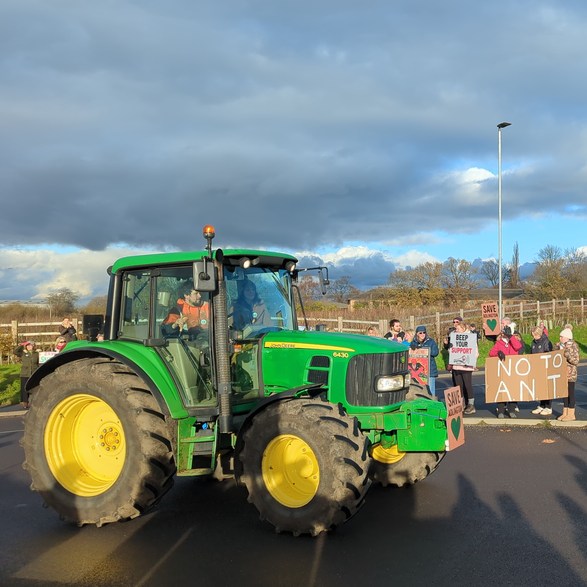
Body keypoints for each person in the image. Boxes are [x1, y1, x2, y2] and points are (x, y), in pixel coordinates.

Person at [489, 327, 522, 418]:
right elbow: (491, 353)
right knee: (502, 391)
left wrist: (510, 337)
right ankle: (501, 411)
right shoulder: (499, 343)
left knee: (512, 391)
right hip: (503, 370)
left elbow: (518, 347)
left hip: (513, 369)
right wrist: (498, 353)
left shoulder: (514, 341)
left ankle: (511, 410)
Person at [448, 321, 478, 414]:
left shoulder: (470, 338)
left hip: (466, 367)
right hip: (456, 366)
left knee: (467, 385)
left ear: (463, 329)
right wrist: (450, 348)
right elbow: (452, 352)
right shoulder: (454, 338)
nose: (456, 330)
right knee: (458, 386)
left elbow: (475, 352)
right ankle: (460, 404)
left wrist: (469, 361)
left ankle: (471, 404)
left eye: (458, 329)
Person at [557, 327, 580, 422]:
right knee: (564, 393)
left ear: (567, 337)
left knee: (571, 393)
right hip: (562, 374)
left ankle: (571, 414)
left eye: (561, 337)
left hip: (570, 374)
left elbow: (575, 361)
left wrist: (567, 354)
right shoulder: (560, 345)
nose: (560, 338)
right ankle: (565, 412)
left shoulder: (573, 346)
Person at [410, 325, 440, 397]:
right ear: (417, 334)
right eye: (420, 333)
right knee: (420, 390)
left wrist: (425, 350)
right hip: (418, 372)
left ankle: (433, 404)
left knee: (431, 390)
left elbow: (435, 352)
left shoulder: (431, 341)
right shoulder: (414, 342)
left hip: (430, 370)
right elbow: (410, 352)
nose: (422, 334)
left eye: (424, 332)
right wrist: (413, 347)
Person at [530, 326, 554, 416]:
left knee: (547, 387)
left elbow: (549, 354)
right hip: (537, 368)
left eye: (535, 335)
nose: (534, 337)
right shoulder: (533, 342)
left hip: (545, 368)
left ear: (539, 334)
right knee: (540, 388)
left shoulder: (546, 342)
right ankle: (542, 405)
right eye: (533, 335)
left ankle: (548, 406)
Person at [13, 341, 39, 409]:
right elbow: (15, 352)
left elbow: (38, 363)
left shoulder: (36, 354)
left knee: (34, 388)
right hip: (25, 373)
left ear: (33, 346)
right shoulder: (23, 353)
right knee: (24, 389)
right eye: (28, 345)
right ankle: (25, 403)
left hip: (33, 373)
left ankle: (33, 402)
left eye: (30, 345)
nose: (29, 347)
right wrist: (21, 345)